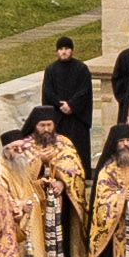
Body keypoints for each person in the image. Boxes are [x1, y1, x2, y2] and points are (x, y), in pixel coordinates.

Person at [40, 36, 94, 166]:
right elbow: (48, 92)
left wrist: (72, 105)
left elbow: (84, 91)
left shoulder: (81, 69)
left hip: (77, 119)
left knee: (78, 153)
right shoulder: (51, 70)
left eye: (66, 49)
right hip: (59, 120)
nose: (63, 52)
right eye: (61, 49)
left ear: (72, 50)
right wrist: (60, 105)